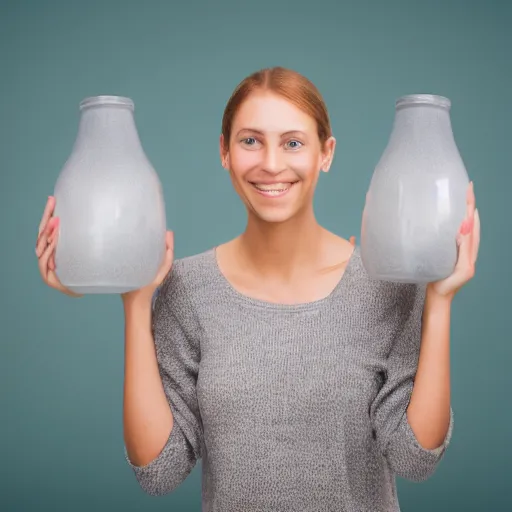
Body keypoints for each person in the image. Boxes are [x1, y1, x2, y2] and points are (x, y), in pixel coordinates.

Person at [35, 67, 480, 511]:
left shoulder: (387, 287)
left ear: (325, 153)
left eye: (293, 142)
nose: (271, 163)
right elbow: (159, 471)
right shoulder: (186, 289)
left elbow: (416, 459)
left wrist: (438, 302)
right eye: (250, 140)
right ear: (224, 151)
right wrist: (134, 301)